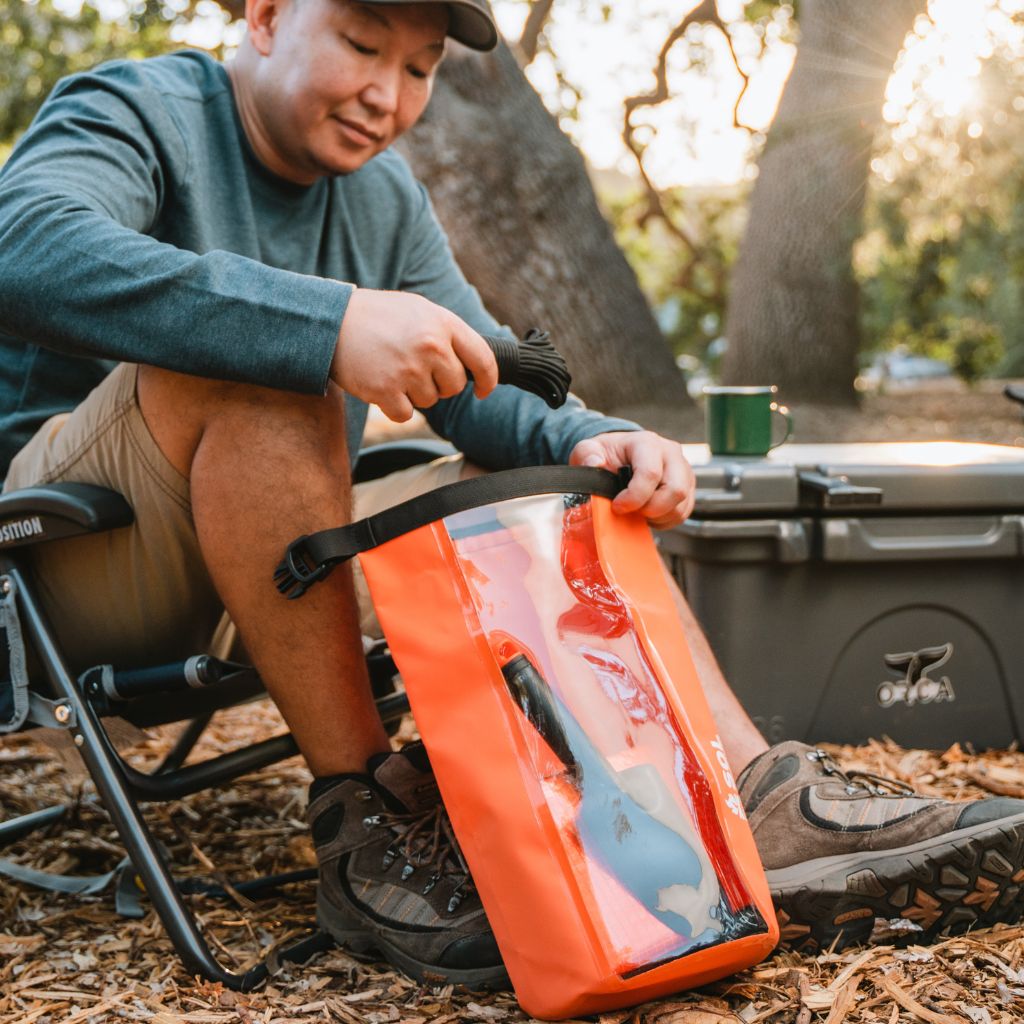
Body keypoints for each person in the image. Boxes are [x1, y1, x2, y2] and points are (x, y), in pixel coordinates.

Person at [2, 0, 1023, 988]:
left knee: (537, 485)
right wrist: (328, 321)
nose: (385, 95)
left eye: (417, 69)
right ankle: (367, 819)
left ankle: (749, 797)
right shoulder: (136, 108)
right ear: (263, 16)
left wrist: (597, 436)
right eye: (361, 43)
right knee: (275, 372)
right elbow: (24, 247)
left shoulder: (382, 198)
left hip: (265, 563)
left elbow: (487, 385)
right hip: (73, 562)